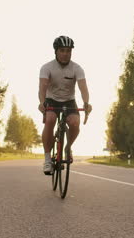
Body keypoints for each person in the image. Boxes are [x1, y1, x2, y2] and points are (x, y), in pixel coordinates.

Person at [38, 36, 92, 175]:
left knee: (75, 123)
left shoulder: (77, 68)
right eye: (62, 50)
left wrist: (86, 103)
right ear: (56, 51)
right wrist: (42, 102)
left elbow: (83, 88)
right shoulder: (47, 67)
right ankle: (48, 159)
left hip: (69, 101)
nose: (65, 53)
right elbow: (43, 87)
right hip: (51, 99)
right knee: (50, 120)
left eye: (68, 51)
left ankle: (68, 148)